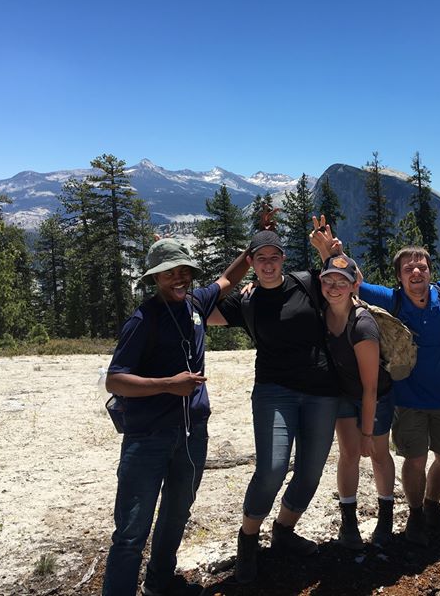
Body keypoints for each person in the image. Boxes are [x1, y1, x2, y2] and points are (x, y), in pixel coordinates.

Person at [310, 220, 440, 546]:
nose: (416, 272)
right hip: (408, 401)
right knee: (415, 459)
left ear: (430, 272)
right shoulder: (391, 299)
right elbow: (349, 282)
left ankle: (431, 503)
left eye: (422, 267)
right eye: (408, 268)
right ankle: (415, 513)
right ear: (399, 276)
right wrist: (329, 252)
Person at [102, 237, 249, 596]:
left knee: (177, 513)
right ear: (155, 277)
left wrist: (256, 244)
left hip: (192, 434)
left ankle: (160, 583)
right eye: (169, 273)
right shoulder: (143, 319)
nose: (179, 278)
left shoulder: (196, 304)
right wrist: (169, 384)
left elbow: (227, 280)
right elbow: (115, 380)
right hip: (148, 437)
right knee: (132, 528)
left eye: (184, 271)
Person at [216, 229, 341, 584]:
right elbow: (201, 305)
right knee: (271, 468)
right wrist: (238, 272)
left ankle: (284, 532)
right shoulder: (245, 301)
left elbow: (346, 283)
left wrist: (330, 253)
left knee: (310, 472)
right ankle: (248, 540)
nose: (268, 265)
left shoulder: (307, 283)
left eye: (274, 257)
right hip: (274, 391)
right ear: (251, 262)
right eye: (260, 259)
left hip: (321, 392)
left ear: (284, 259)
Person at [316, 251, 396, 549]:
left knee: (377, 452)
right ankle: (349, 523)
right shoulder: (321, 313)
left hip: (375, 396)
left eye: (342, 282)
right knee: (348, 454)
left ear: (353, 285)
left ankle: (385, 518)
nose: (334, 287)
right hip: (344, 394)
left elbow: (371, 387)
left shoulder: (362, 325)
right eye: (329, 280)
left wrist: (367, 433)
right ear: (321, 282)